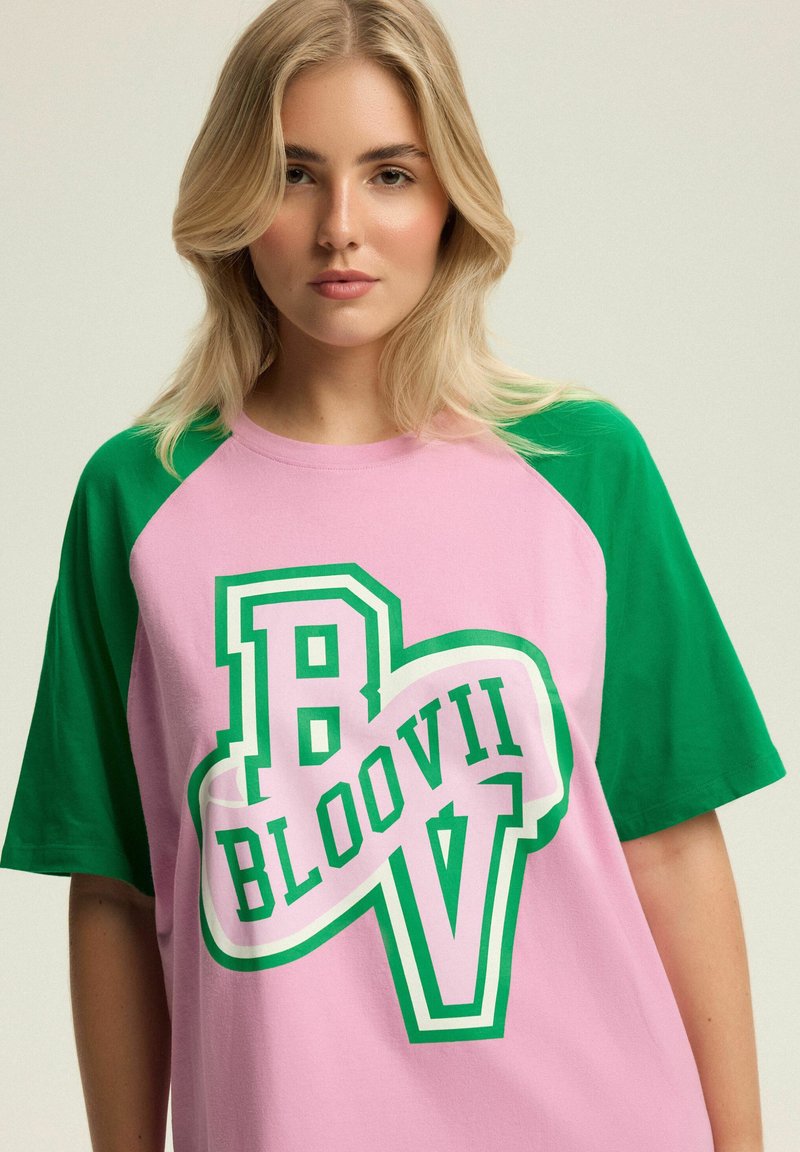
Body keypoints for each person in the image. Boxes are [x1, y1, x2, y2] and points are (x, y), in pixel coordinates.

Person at [0, 0, 787, 1149]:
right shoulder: (138, 499)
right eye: (293, 175)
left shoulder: (584, 471)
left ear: (447, 198)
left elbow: (667, 843)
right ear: (232, 197)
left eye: (389, 175)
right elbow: (118, 893)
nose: (340, 229)